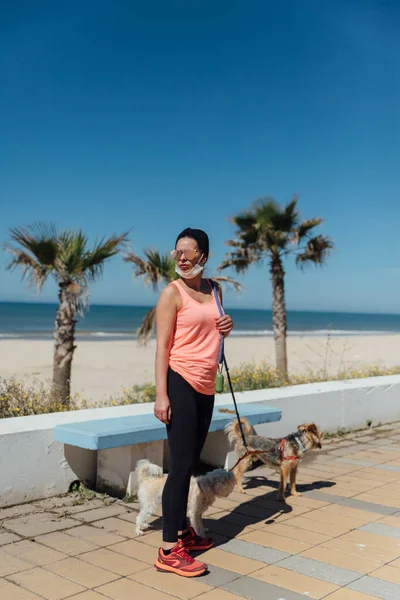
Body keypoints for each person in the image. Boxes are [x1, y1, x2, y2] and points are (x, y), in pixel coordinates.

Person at [153, 227, 234, 577]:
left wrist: (226, 327)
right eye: (178, 252)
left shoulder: (215, 290)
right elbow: (162, 347)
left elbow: (212, 329)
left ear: (204, 256)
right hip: (180, 380)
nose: (182, 258)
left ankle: (184, 530)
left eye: (189, 252)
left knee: (192, 462)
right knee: (182, 464)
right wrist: (161, 394)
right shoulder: (172, 293)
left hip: (206, 385)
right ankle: (169, 549)